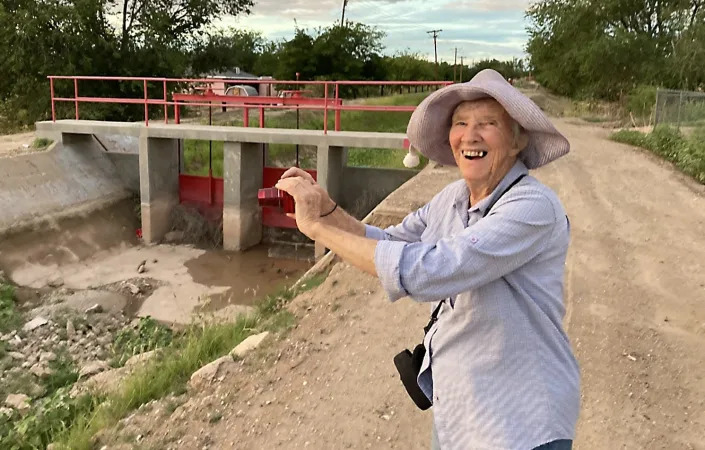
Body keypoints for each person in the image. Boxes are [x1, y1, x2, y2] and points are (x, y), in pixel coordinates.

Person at [275, 69, 580, 450]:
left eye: (488, 124)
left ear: (518, 139)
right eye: (461, 123)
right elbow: (387, 240)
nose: (470, 135)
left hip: (518, 422)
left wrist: (317, 231)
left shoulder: (532, 207)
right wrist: (328, 210)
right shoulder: (452, 196)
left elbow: (429, 270)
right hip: (458, 411)